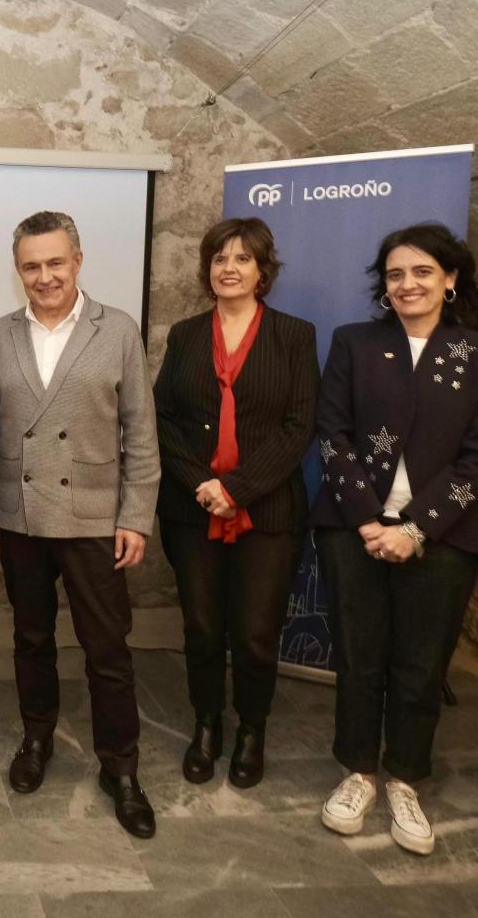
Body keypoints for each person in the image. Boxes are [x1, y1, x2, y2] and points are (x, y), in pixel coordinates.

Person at [309, 222, 478, 856]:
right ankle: (359, 773)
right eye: (396, 274)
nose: (408, 284)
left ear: (450, 279)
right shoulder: (356, 343)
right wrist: (371, 519)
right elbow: (331, 432)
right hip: (353, 527)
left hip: (443, 538)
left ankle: (405, 778)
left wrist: (415, 529)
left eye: (423, 272)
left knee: (421, 665)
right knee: (359, 656)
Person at [0, 211, 161, 839]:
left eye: (56, 262)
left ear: (77, 261)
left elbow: (140, 429)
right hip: (23, 516)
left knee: (107, 652)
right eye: (32, 265)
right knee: (31, 640)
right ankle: (36, 739)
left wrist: (135, 514)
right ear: (18, 270)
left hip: (93, 517)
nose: (44, 276)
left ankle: (122, 768)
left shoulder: (118, 330)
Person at [153, 218, 317, 790]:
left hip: (267, 510)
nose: (229, 268)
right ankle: (206, 725)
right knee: (201, 628)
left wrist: (237, 489)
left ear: (261, 271)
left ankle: (252, 728)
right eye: (220, 258)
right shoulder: (186, 335)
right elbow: (164, 417)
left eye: (243, 259)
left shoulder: (294, 335)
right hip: (191, 508)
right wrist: (204, 484)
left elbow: (299, 427)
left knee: (253, 632)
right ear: (208, 269)